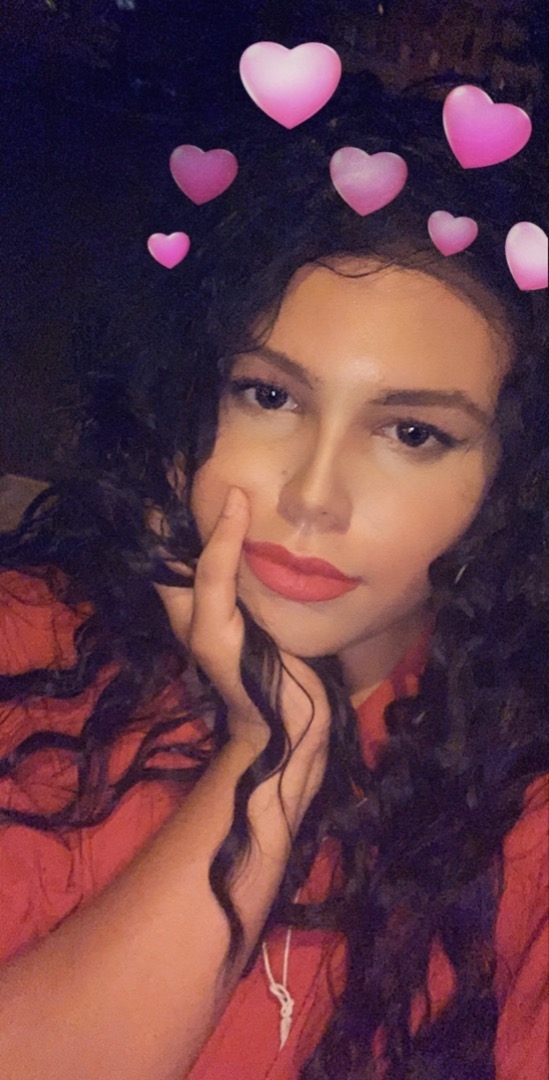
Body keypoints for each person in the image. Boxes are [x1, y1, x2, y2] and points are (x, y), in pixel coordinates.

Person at [0, 78, 547, 1080]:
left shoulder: (521, 796)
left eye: (413, 433)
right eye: (269, 396)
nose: (312, 496)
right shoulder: (30, 650)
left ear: (510, 488)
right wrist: (278, 750)